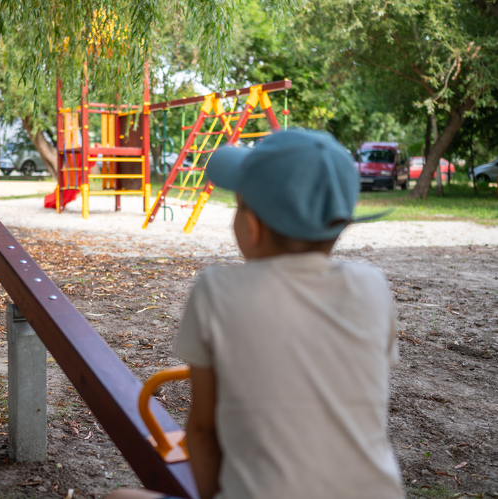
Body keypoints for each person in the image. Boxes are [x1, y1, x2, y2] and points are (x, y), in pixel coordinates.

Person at [108, 129, 403, 499]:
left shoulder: (217, 290)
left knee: (118, 497)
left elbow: (202, 432)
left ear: (251, 225)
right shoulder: (372, 286)